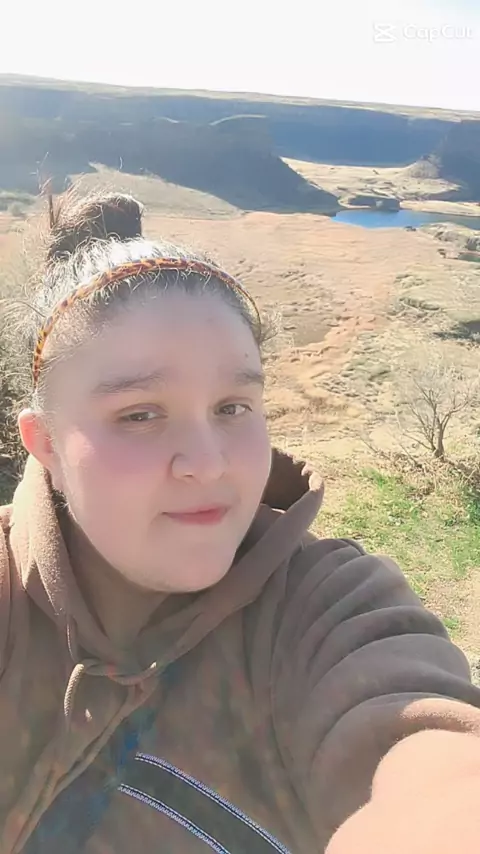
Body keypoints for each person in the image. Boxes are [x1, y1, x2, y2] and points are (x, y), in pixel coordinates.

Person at [1, 190, 480, 854]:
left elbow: (429, 753)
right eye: (140, 414)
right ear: (47, 444)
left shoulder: (328, 608)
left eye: (232, 407)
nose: (208, 464)